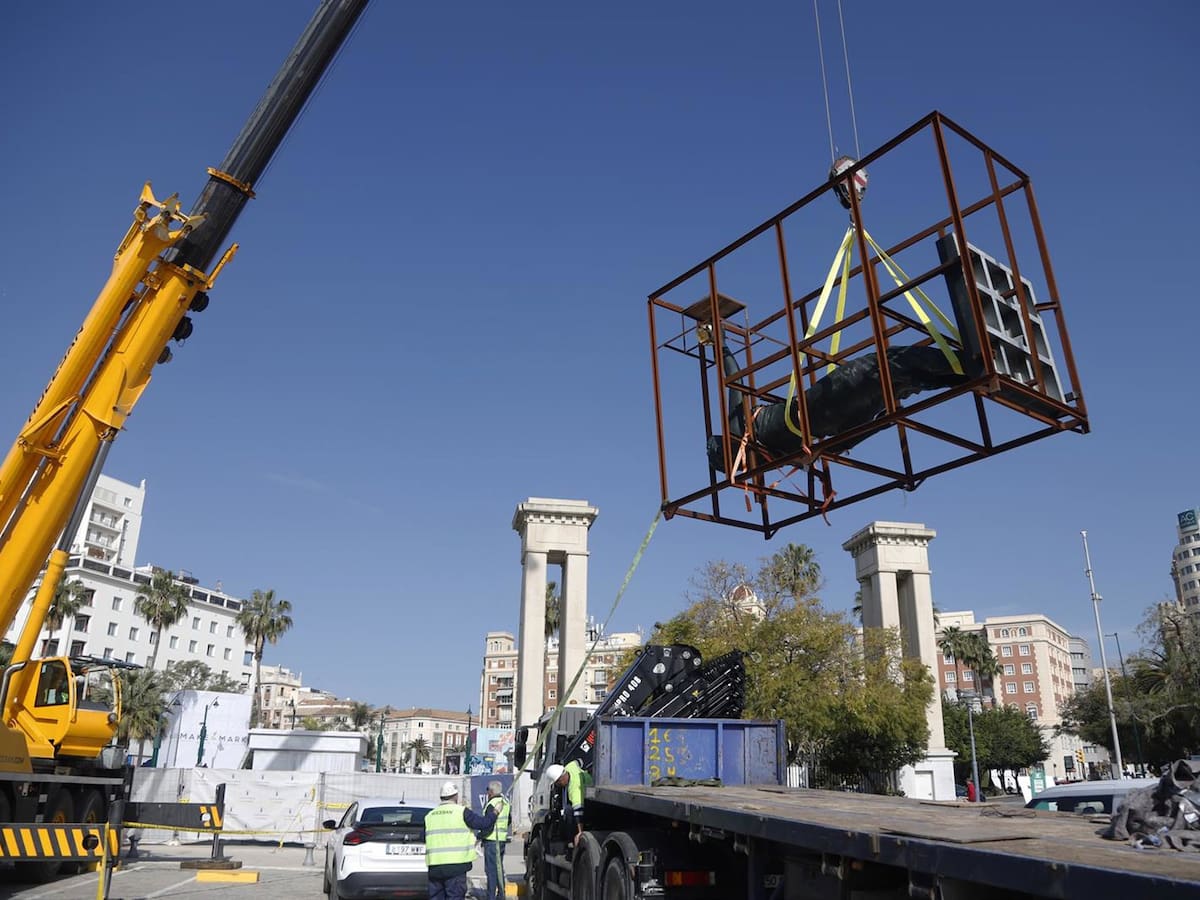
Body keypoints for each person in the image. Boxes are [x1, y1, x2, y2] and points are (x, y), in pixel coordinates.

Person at [425, 781, 496, 900]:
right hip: (456, 868)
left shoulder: (430, 815)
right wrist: (494, 813)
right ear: (456, 796)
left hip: (435, 867)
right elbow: (484, 823)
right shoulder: (462, 812)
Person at [547, 760, 592, 847]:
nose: (558, 786)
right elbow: (580, 761)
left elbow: (579, 812)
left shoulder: (574, 788)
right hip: (589, 787)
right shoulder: (569, 766)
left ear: (561, 779)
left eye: (557, 783)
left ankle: (571, 841)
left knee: (568, 810)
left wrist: (580, 832)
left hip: (590, 801)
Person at [480, 780, 511, 900]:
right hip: (501, 840)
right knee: (498, 868)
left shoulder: (492, 804)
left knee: (491, 870)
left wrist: (480, 836)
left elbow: (488, 823)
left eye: (488, 790)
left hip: (492, 840)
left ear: (491, 792)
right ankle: (501, 895)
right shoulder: (505, 803)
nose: (487, 792)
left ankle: (491, 896)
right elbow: (509, 820)